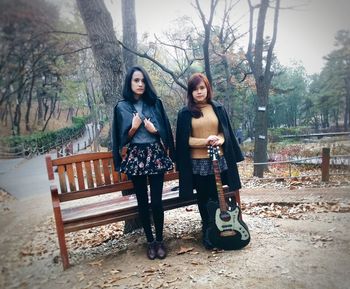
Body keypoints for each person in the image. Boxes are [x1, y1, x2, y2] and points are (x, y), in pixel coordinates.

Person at [112, 66, 175, 260]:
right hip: (136, 157)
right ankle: (149, 243)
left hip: (155, 154)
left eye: (142, 81)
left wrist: (154, 130)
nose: (140, 84)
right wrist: (133, 129)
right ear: (129, 83)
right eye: (136, 80)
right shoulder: (121, 107)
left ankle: (160, 240)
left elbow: (165, 130)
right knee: (142, 202)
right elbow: (119, 139)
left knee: (156, 202)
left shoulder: (155, 103)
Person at [175, 73, 244, 249]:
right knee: (204, 198)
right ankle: (207, 230)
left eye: (202, 88)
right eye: (195, 89)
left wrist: (220, 139)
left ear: (207, 89)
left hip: (218, 160)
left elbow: (224, 132)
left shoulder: (218, 108)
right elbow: (184, 141)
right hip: (199, 163)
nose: (199, 92)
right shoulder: (185, 113)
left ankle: (220, 229)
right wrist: (204, 142)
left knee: (216, 196)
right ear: (190, 92)